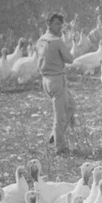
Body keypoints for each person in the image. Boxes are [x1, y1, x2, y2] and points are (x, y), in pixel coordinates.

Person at [38, 13, 77, 155]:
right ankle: (59, 148)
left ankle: (54, 136)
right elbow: (69, 59)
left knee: (71, 106)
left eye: (61, 24)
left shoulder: (41, 40)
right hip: (57, 80)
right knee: (60, 116)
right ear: (49, 25)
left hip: (46, 81)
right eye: (56, 24)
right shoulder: (57, 41)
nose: (59, 27)